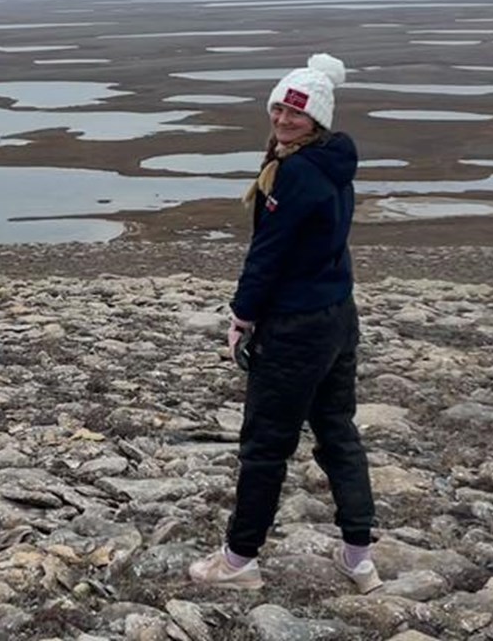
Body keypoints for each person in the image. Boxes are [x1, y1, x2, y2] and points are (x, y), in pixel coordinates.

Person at [189, 53, 381, 594]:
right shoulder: (332, 162)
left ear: (316, 119)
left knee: (266, 445)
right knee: (337, 432)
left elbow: (268, 253)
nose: (282, 119)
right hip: (336, 315)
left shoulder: (294, 172)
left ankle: (238, 560)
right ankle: (359, 558)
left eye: (295, 113)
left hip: (294, 325)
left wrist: (242, 316)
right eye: (278, 109)